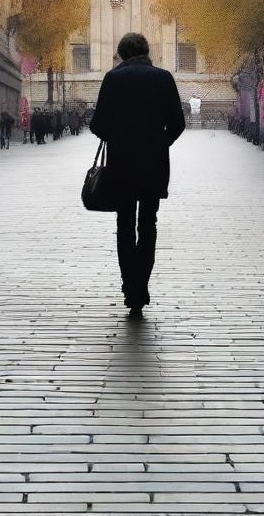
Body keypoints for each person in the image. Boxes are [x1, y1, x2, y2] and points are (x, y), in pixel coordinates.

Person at [89, 32, 186, 320]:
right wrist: (159, 143)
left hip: (121, 164)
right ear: (146, 51)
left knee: (124, 224)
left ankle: (129, 287)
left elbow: (98, 125)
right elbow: (178, 123)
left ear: (122, 53)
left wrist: (118, 137)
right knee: (148, 225)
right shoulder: (164, 78)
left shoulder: (113, 79)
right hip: (154, 165)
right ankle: (142, 286)